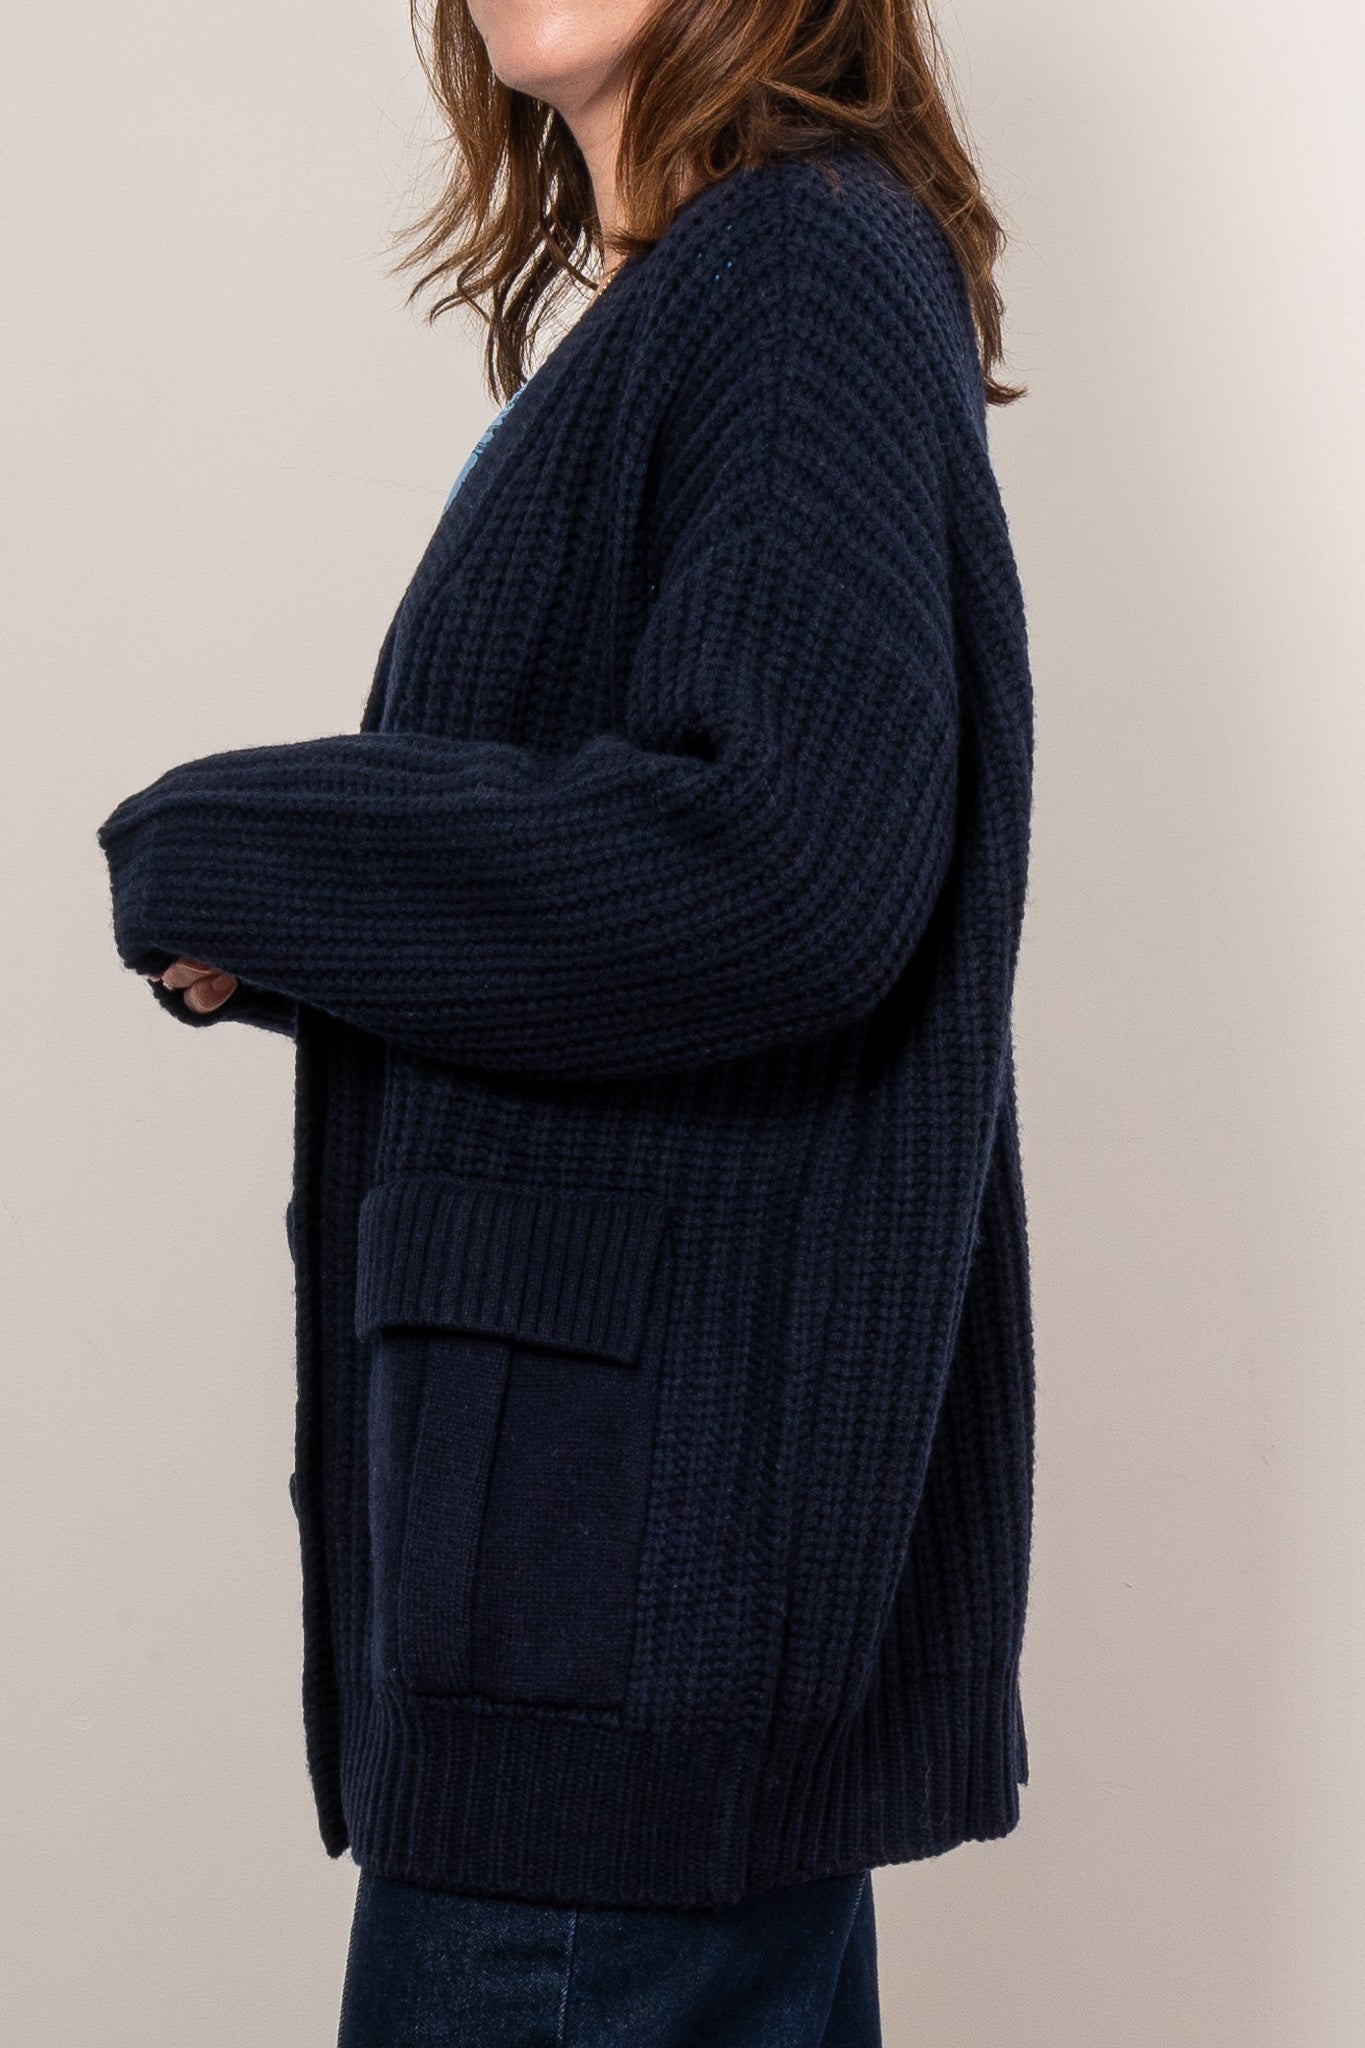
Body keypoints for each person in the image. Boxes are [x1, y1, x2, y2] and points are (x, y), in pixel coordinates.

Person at [97, 0, 1036, 2040]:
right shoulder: (717, 288)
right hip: (626, 1574)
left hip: (620, 1593)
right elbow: (718, 871)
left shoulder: (794, 267)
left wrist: (252, 847)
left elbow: (785, 867)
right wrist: (322, 941)